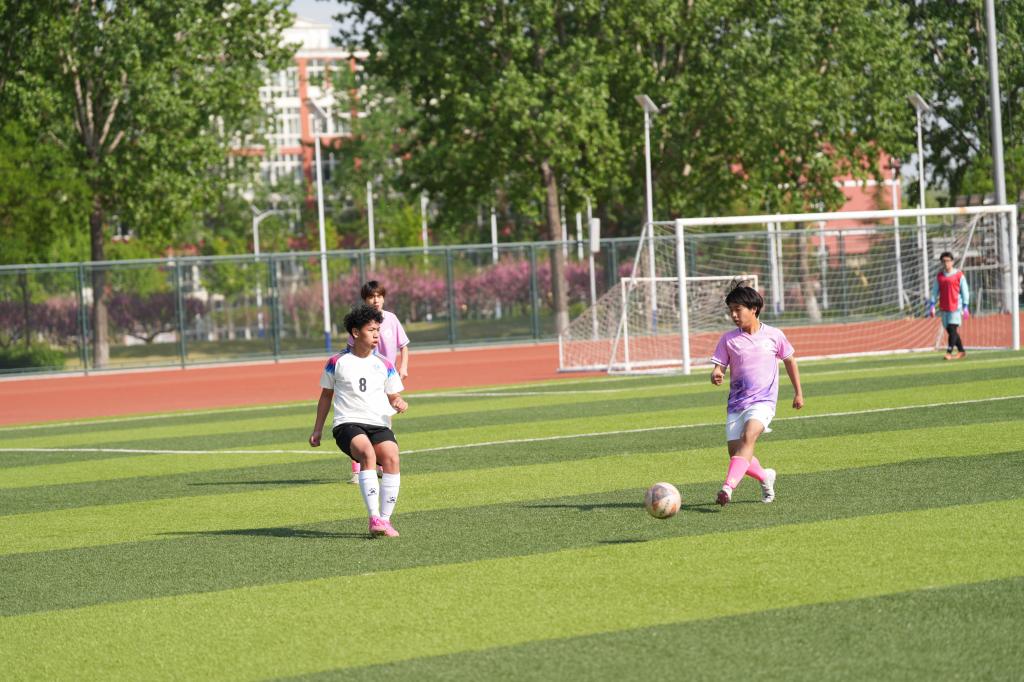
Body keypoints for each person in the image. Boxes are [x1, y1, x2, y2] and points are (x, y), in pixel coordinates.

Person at [310, 304, 408, 538]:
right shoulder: (336, 362)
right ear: (355, 333)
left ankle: (385, 520)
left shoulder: (385, 364)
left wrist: (398, 401)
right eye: (371, 330)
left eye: (378, 330)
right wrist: (317, 430)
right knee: (367, 454)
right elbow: (326, 396)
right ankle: (374, 518)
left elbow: (393, 394)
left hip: (378, 423)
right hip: (348, 423)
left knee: (392, 457)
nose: (376, 335)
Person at [710, 285, 804, 506]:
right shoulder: (728, 339)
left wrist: (798, 392)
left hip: (763, 402)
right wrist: (716, 373)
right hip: (736, 404)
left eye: (738, 309)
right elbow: (719, 367)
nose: (733, 315)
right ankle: (765, 476)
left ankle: (727, 488)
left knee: (748, 436)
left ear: (753, 309)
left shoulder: (774, 335)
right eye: (731, 310)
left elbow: (790, 361)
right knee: (737, 454)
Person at [347, 280, 411, 483]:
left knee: (384, 420)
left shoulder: (391, 319)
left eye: (379, 296)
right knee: (358, 420)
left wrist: (403, 366)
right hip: (365, 378)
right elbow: (351, 349)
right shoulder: (360, 322)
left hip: (386, 378)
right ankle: (358, 470)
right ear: (365, 300)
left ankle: (383, 465)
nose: (376, 300)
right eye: (371, 297)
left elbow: (404, 345)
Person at [928, 251, 970, 360]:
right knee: (952, 331)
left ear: (952, 262)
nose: (946, 263)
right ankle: (961, 351)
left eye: (948, 261)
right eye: (943, 261)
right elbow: (934, 291)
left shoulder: (959, 275)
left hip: (956, 307)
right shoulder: (940, 276)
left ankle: (949, 352)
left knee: (952, 329)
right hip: (944, 307)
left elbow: (965, 291)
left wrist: (965, 306)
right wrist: (932, 305)